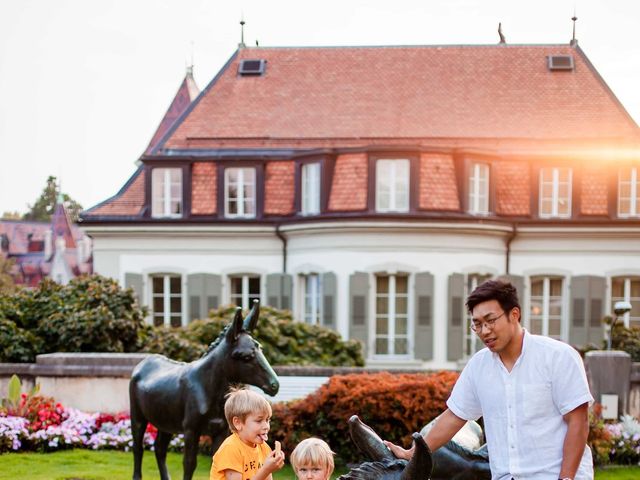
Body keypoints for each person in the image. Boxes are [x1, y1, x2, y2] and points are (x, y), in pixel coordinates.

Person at [384, 279, 594, 480]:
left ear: (514, 315)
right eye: (477, 324)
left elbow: (578, 421)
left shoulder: (558, 357)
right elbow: (454, 416)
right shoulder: (478, 366)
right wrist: (414, 453)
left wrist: (566, 478)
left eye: (490, 321)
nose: (485, 331)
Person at [210, 387, 285, 480]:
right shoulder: (231, 449)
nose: (266, 426)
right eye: (259, 420)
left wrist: (269, 469)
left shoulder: (264, 448)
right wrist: (266, 470)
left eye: (267, 420)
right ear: (238, 423)